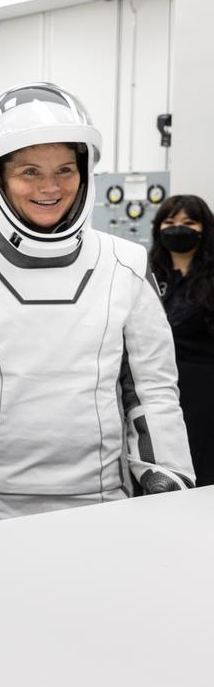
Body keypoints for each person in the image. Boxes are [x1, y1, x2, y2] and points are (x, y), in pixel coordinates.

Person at [0, 82, 193, 527]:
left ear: (85, 173)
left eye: (65, 170)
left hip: (101, 502)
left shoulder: (125, 263)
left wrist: (165, 471)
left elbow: (152, 387)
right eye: (30, 172)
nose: (50, 187)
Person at [149, 194, 214, 486]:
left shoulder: (209, 278)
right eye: (170, 221)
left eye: (189, 222)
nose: (178, 228)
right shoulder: (147, 273)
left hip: (203, 389)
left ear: (204, 229)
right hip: (155, 385)